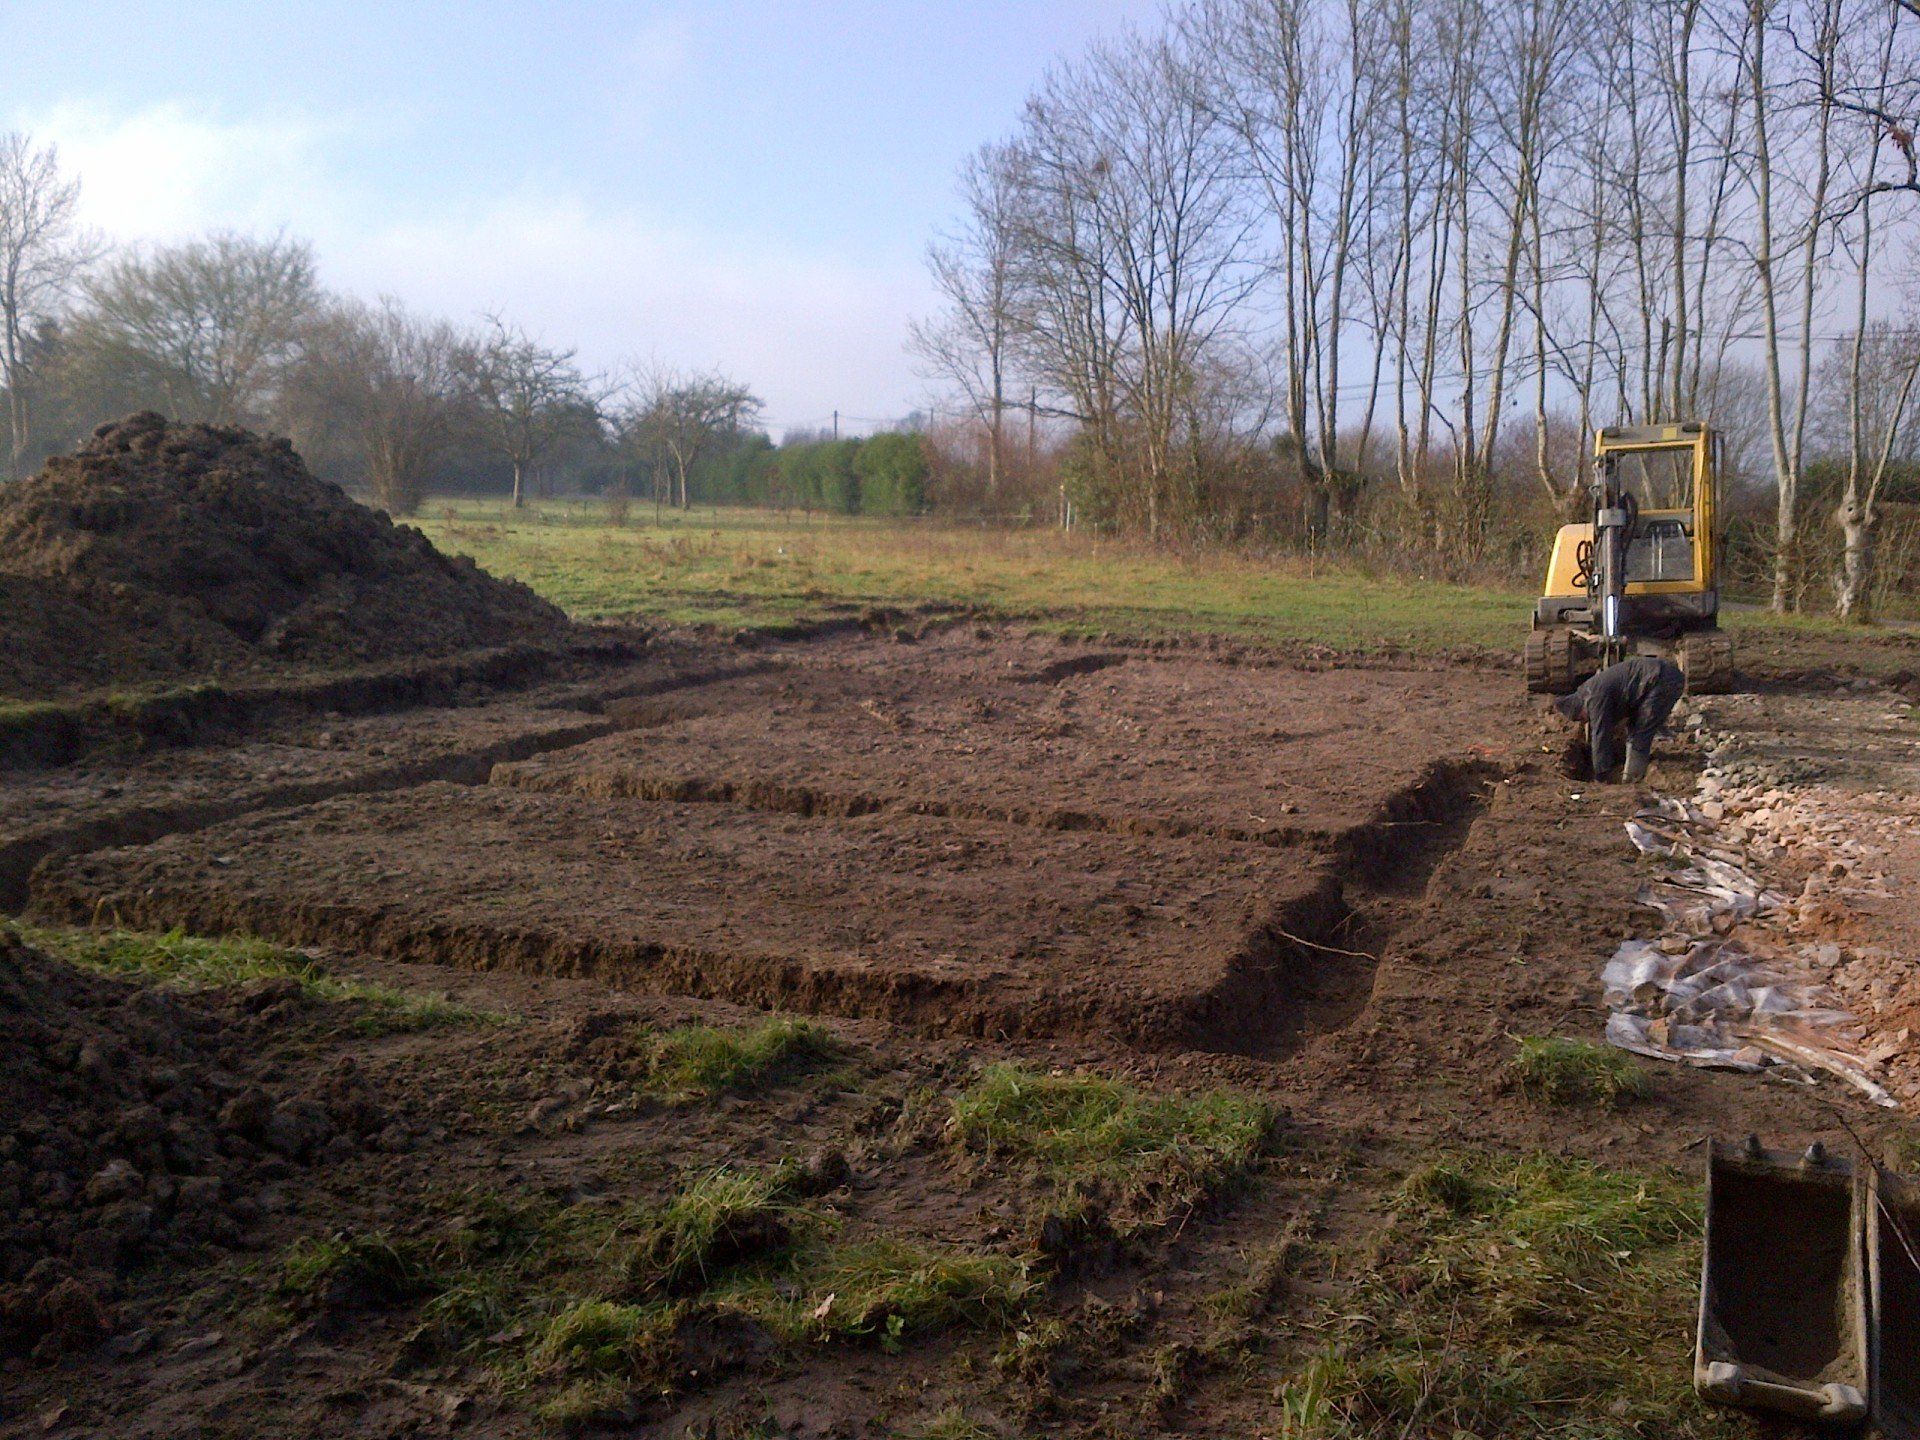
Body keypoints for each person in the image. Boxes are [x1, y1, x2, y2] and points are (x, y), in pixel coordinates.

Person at [1553, 655, 1686, 783]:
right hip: (1658, 676)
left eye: (1581, 718)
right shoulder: (1590, 690)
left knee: (1641, 732)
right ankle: (1633, 769)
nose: (1585, 721)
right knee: (1635, 726)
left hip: (1661, 679)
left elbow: (1601, 735)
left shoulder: (1594, 698)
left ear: (1580, 707)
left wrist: (1601, 774)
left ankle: (1633, 778)